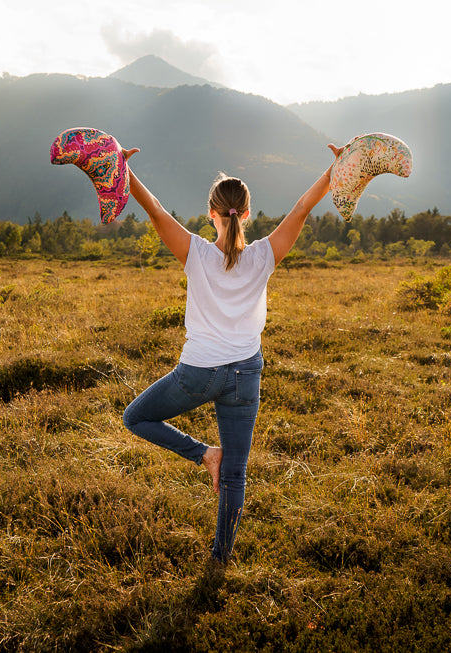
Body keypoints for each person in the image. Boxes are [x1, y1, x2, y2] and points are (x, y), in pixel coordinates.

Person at [121, 143, 343, 566]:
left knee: (136, 417)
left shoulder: (195, 252)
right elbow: (300, 208)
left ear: (211, 213)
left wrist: (124, 171)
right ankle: (221, 557)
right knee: (236, 473)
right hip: (246, 374)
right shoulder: (263, 255)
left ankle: (204, 454)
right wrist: (334, 171)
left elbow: (154, 209)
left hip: (198, 372)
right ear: (245, 214)